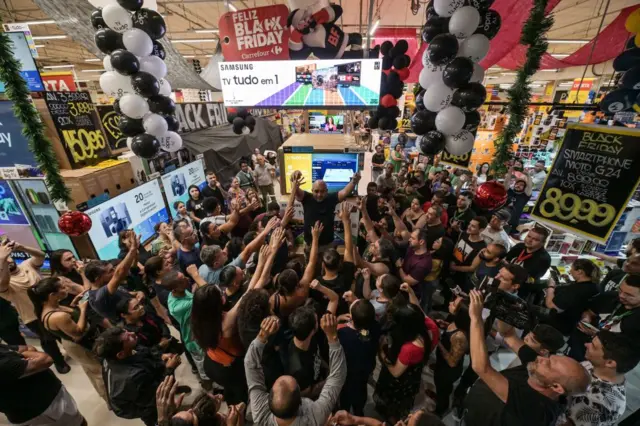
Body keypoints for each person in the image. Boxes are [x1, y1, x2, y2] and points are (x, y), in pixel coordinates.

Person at [462, 290, 590, 426]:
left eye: (549, 364)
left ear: (556, 387)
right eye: (550, 358)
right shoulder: (539, 368)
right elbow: (508, 335)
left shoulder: (538, 410)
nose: (542, 359)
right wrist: (504, 311)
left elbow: (481, 368)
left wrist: (476, 318)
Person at [191, 237, 283, 406]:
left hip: (211, 362)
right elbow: (255, 286)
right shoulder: (226, 323)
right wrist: (268, 256)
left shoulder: (200, 319)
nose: (223, 292)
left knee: (230, 390)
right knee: (240, 397)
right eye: (220, 294)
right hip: (229, 367)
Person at [244, 315, 346, 426]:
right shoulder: (315, 416)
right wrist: (332, 337)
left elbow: (251, 366)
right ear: (301, 400)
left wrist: (262, 336)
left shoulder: (261, 414)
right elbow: (336, 379)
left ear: (269, 398)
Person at [28, 277, 107, 402]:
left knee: (91, 369)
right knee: (98, 371)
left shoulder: (54, 306)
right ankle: (110, 398)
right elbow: (78, 333)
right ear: (52, 295)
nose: (66, 289)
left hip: (76, 342)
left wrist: (74, 304)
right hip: (79, 345)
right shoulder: (57, 316)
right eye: (62, 288)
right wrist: (82, 309)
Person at [0, 240, 70, 373]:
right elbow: (2, 284)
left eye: (8, 257)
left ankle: (73, 350)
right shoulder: (6, 283)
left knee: (64, 332)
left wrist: (22, 247)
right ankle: (60, 363)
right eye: (4, 261)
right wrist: (2, 260)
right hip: (32, 317)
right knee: (48, 340)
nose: (8, 261)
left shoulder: (27, 265)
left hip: (53, 308)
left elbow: (40, 256)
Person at [93, 327, 183, 426]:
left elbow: (143, 353)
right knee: (158, 416)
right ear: (121, 354)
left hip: (139, 389)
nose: (133, 333)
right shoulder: (132, 377)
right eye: (128, 338)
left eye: (127, 331)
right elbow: (158, 393)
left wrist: (159, 354)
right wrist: (169, 369)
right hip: (143, 404)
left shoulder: (117, 354)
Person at [558, 331, 640, 426]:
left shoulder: (602, 404)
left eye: (593, 346)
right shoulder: (595, 365)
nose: (586, 345)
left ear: (610, 363)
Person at [374, 302, 433, 424]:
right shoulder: (426, 330)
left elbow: (396, 372)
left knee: (392, 405)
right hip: (413, 374)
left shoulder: (409, 349)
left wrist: (382, 351)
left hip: (400, 381)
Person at [0, 343, 85, 425]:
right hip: (44, 410)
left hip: (49, 400)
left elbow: (28, 348)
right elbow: (46, 360)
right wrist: (21, 355)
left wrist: (21, 355)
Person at [569, 274, 640, 361]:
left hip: (606, 359)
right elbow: (590, 312)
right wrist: (586, 319)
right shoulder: (609, 297)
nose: (621, 296)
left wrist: (598, 334)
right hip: (579, 346)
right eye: (620, 290)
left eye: (629, 295)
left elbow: (630, 349)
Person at [290, 169, 360, 253]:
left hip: (328, 245)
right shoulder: (306, 197)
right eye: (316, 191)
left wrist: (354, 181)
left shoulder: (331, 198)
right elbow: (296, 191)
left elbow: (345, 192)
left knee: (328, 265)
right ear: (312, 191)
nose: (319, 194)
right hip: (310, 244)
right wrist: (294, 178)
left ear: (327, 191)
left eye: (322, 191)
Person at [198, 216, 278, 285]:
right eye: (222, 253)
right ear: (216, 264)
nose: (225, 252)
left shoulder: (202, 268)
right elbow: (247, 251)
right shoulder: (223, 274)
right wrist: (265, 232)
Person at [85, 232, 140, 323]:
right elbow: (119, 272)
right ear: (97, 278)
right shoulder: (98, 297)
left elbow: (122, 294)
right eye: (110, 271)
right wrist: (133, 249)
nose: (114, 272)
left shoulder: (107, 286)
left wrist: (137, 293)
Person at [338, 298, 380, 416]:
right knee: (361, 393)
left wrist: (338, 319)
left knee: (345, 398)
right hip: (365, 370)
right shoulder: (376, 327)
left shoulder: (343, 333)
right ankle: (359, 412)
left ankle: (344, 414)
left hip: (347, 373)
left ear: (351, 317)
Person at [432, 296, 470, 416]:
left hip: (448, 371)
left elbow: (452, 362)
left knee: (442, 388)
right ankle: (439, 396)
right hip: (441, 364)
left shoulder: (460, 337)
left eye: (453, 303)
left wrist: (437, 341)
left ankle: (440, 409)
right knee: (441, 388)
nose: (450, 302)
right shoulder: (456, 322)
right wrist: (445, 325)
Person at [544, 259, 600, 336]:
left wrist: (550, 287)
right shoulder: (596, 286)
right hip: (573, 325)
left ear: (580, 272)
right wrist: (569, 281)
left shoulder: (573, 291)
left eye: (572, 268)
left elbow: (551, 306)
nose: (570, 271)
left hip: (559, 327)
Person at [504, 226, 551, 301]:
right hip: (503, 281)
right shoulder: (519, 246)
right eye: (529, 236)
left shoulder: (543, 259)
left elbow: (530, 279)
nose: (529, 240)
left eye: (535, 239)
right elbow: (506, 260)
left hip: (518, 292)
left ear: (542, 243)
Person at [450, 216, 488, 291]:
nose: (469, 227)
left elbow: (472, 268)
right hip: (451, 267)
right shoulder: (463, 234)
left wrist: (454, 268)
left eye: (473, 226)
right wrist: (452, 262)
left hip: (462, 276)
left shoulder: (482, 247)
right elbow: (456, 248)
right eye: (470, 224)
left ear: (481, 230)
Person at [397, 229, 433, 296]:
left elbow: (409, 281)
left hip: (409, 293)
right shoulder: (413, 248)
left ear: (421, 242)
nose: (409, 240)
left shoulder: (423, 264)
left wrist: (399, 266)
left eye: (412, 238)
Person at [503, 166, 533, 233]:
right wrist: (510, 172)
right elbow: (506, 182)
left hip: (513, 223)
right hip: (502, 220)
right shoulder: (509, 191)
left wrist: (528, 175)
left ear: (524, 188)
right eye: (517, 184)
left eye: (521, 185)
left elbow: (530, 186)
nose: (518, 185)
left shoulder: (525, 196)